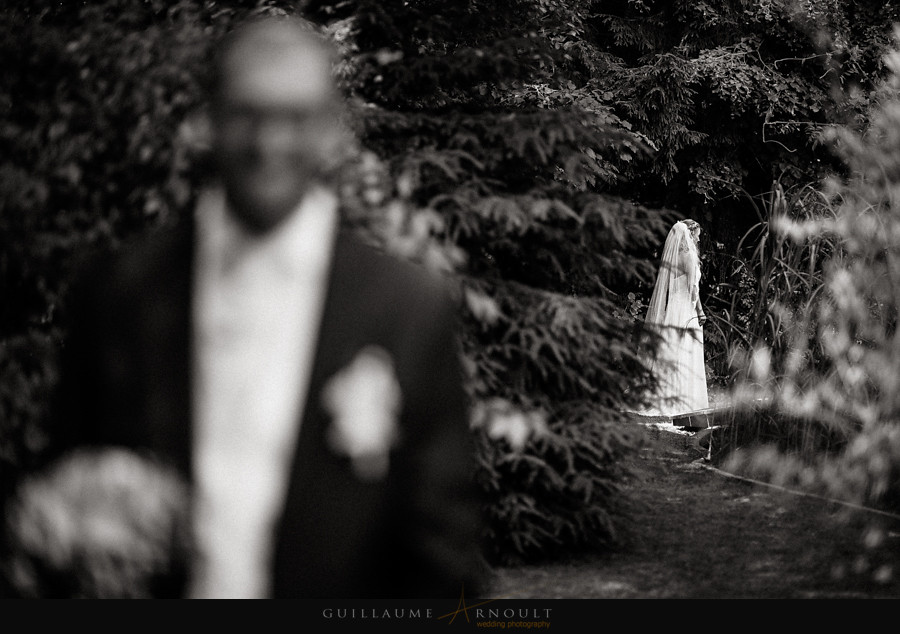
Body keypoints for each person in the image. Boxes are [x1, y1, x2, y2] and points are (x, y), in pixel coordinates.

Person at [36, 15, 486, 599]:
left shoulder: (405, 308)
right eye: (248, 114)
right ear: (211, 119)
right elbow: (70, 488)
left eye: (294, 118)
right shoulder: (120, 291)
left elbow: (444, 557)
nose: (268, 144)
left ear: (328, 128)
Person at [639, 219, 709, 417]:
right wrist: (700, 311)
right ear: (690, 234)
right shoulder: (688, 256)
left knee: (672, 349)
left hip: (674, 306)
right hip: (686, 307)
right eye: (697, 235)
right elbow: (693, 289)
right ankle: (685, 400)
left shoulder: (675, 256)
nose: (698, 239)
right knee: (685, 349)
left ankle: (666, 395)